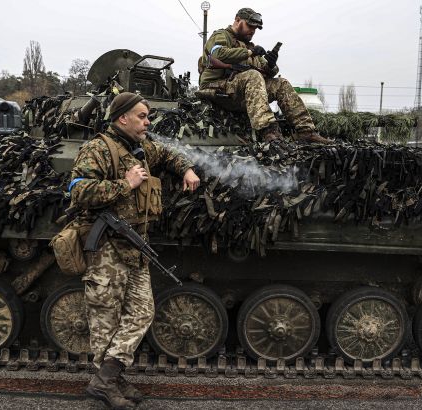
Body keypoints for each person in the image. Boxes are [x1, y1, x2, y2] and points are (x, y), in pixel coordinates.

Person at [68, 92, 200, 409]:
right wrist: (125, 185)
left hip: (136, 250)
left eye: (148, 116)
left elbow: (167, 155)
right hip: (106, 251)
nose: (147, 121)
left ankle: (107, 378)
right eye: (142, 116)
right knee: (105, 324)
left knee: (142, 313)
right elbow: (78, 190)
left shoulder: (140, 150)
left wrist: (186, 169)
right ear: (122, 118)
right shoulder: (98, 149)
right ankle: (107, 382)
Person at [199, 7, 330, 144]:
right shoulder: (221, 36)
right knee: (253, 75)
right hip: (216, 88)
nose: (252, 31)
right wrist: (250, 53)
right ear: (238, 20)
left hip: (239, 92)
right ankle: (269, 131)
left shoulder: (249, 46)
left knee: (281, 83)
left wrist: (271, 64)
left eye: (255, 28)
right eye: (250, 26)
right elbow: (218, 54)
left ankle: (306, 132)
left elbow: (266, 69)